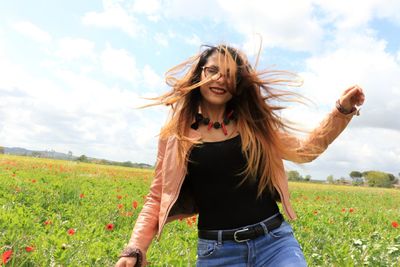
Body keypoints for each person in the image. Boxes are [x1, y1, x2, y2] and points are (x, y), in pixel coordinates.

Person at [115, 44, 365, 267]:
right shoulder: (175, 135)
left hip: (274, 243)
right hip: (218, 252)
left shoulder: (255, 124)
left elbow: (305, 150)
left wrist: (341, 111)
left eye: (230, 75)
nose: (220, 79)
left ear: (238, 84)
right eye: (212, 70)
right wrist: (135, 247)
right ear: (199, 73)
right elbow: (157, 195)